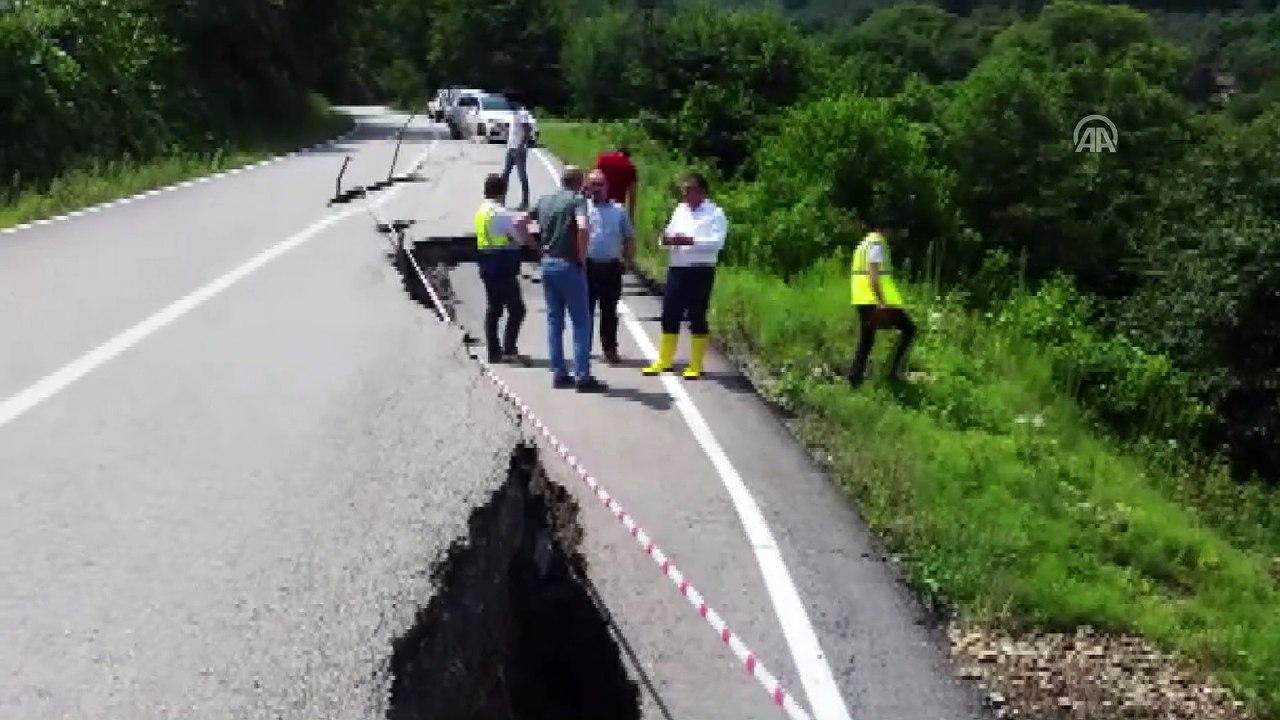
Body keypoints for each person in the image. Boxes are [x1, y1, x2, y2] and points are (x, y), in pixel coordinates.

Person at [642, 172, 727, 380]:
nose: (685, 194)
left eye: (690, 190)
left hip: (700, 269)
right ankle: (664, 359)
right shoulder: (680, 210)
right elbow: (667, 234)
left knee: (697, 314)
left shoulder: (715, 214)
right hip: (678, 267)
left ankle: (696, 364)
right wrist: (666, 241)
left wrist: (691, 241)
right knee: (670, 311)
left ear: (702, 192)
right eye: (684, 190)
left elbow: (717, 243)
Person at [532, 165, 607, 392]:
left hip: (548, 263)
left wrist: (536, 246)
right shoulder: (576, 201)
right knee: (581, 322)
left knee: (554, 321)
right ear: (579, 182)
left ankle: (559, 372)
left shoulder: (545, 200)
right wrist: (582, 257)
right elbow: (583, 227)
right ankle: (582, 376)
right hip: (569, 264)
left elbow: (519, 222)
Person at [846, 220, 917, 386]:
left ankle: (855, 378)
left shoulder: (864, 243)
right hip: (874, 300)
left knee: (867, 339)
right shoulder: (877, 245)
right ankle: (892, 372)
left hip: (862, 298)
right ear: (887, 230)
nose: (894, 236)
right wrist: (881, 301)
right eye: (894, 231)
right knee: (909, 329)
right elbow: (873, 273)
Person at [475, 173, 534, 364]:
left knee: (494, 309)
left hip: (486, 263)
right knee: (517, 310)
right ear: (503, 192)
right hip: (502, 266)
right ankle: (509, 349)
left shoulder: (481, 211)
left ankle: (494, 352)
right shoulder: (501, 213)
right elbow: (519, 237)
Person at [583, 169, 636, 364]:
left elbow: (629, 237)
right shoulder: (582, 208)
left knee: (609, 311)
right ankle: (584, 347)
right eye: (593, 184)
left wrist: (626, 260)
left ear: (607, 187)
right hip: (587, 266)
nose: (596, 189)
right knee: (585, 311)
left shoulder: (618, 210)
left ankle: (610, 349)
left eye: (600, 184)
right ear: (587, 187)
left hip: (611, 267)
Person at [501, 97, 534, 210]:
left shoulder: (523, 113)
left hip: (519, 149)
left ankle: (525, 201)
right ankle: (501, 199)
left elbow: (527, 130)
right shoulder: (514, 114)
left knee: (521, 175)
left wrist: (521, 146)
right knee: (505, 174)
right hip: (511, 147)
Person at [594, 146, 638, 218]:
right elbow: (632, 194)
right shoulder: (630, 167)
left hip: (600, 204)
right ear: (628, 157)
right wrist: (630, 215)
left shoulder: (603, 159)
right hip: (617, 208)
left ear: (617, 152)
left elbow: (594, 178)